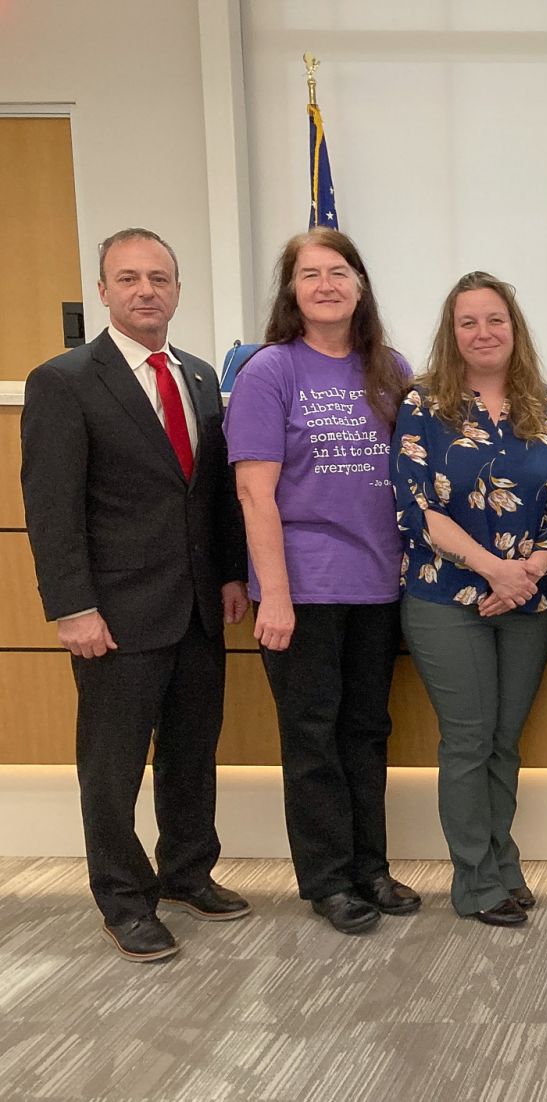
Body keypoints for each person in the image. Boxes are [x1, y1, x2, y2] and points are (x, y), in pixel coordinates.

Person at [20, 228, 251, 962]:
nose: (145, 290)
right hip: (113, 615)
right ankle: (124, 899)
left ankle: (188, 872)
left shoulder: (199, 374)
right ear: (104, 292)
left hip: (197, 608)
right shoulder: (64, 381)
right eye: (129, 279)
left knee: (192, 753)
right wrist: (71, 607)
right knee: (113, 765)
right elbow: (52, 509)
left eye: (159, 278)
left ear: (177, 290)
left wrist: (230, 574)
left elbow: (210, 495)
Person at [224, 228, 419, 935]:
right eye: (311, 275)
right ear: (292, 292)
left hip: (378, 584)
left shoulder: (389, 368)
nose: (327, 284)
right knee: (311, 739)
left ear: (361, 285)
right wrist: (274, 593)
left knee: (366, 731)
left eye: (340, 272)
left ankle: (370, 867)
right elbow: (254, 494)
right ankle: (328, 880)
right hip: (302, 587)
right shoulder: (269, 372)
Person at [390, 271, 547, 928]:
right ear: (451, 332)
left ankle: (502, 860)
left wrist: (529, 571)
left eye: (495, 319)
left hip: (530, 600)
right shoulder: (422, 405)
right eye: (468, 322)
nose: (483, 332)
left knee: (503, 739)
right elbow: (416, 507)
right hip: (446, 596)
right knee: (467, 739)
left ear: (514, 328)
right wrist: (496, 569)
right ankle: (474, 880)